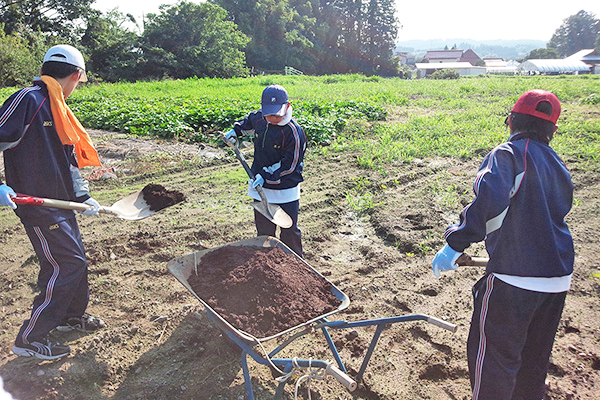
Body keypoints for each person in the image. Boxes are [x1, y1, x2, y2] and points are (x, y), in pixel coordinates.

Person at [431, 89, 574, 400]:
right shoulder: (559, 165)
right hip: (558, 280)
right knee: (532, 365)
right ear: (553, 131)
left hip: (513, 281)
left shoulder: (508, 154)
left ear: (510, 120)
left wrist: (455, 245)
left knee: (495, 363)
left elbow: (488, 202)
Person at [0, 44, 105, 360]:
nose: (77, 87)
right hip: (38, 205)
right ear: (75, 75)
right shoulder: (27, 100)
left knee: (76, 259)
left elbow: (69, 160)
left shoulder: (59, 109)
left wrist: (83, 195)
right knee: (67, 262)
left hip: (62, 204)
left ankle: (69, 317)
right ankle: (30, 338)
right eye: (79, 81)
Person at [225, 84, 306, 256]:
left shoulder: (293, 132)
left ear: (288, 107)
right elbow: (247, 122)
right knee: (264, 231)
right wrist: (235, 132)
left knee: (289, 230)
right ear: (262, 108)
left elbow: (289, 167)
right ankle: (265, 263)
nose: (273, 118)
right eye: (269, 114)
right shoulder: (260, 118)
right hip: (259, 186)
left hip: (285, 190)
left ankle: (296, 262)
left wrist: (266, 176)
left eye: (277, 114)